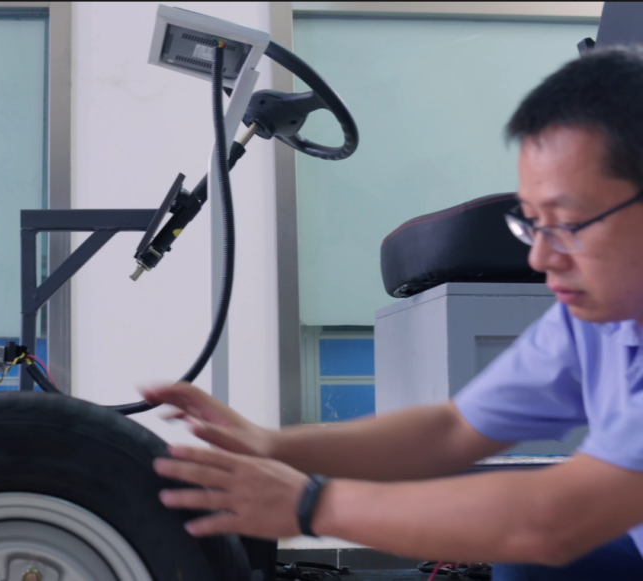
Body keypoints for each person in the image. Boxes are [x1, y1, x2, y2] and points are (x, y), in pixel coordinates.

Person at [145, 46, 643, 580]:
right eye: (533, 223)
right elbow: (451, 431)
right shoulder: (598, 319)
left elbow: (551, 521)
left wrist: (311, 505)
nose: (540, 258)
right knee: (528, 565)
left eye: (567, 223)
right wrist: (272, 445)